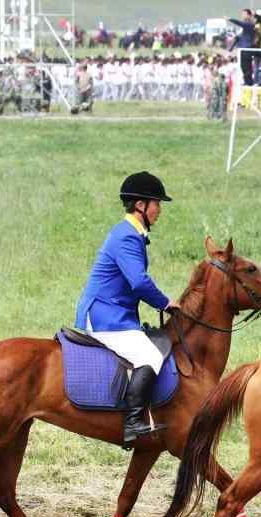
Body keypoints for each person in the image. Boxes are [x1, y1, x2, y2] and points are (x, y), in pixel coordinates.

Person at [75, 172, 177, 450]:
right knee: (148, 355)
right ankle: (132, 423)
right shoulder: (126, 236)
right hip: (103, 315)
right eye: (157, 203)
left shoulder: (131, 234)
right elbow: (139, 281)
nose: (159, 210)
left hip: (116, 312)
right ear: (140, 205)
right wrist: (165, 303)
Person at [227, 10, 256, 86]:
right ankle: (248, 82)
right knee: (243, 67)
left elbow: (240, 23)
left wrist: (230, 19)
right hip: (242, 49)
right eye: (242, 14)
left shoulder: (250, 24)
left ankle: (249, 82)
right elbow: (238, 37)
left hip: (247, 48)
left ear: (249, 15)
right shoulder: (244, 28)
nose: (242, 15)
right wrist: (231, 47)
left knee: (246, 67)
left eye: (244, 14)